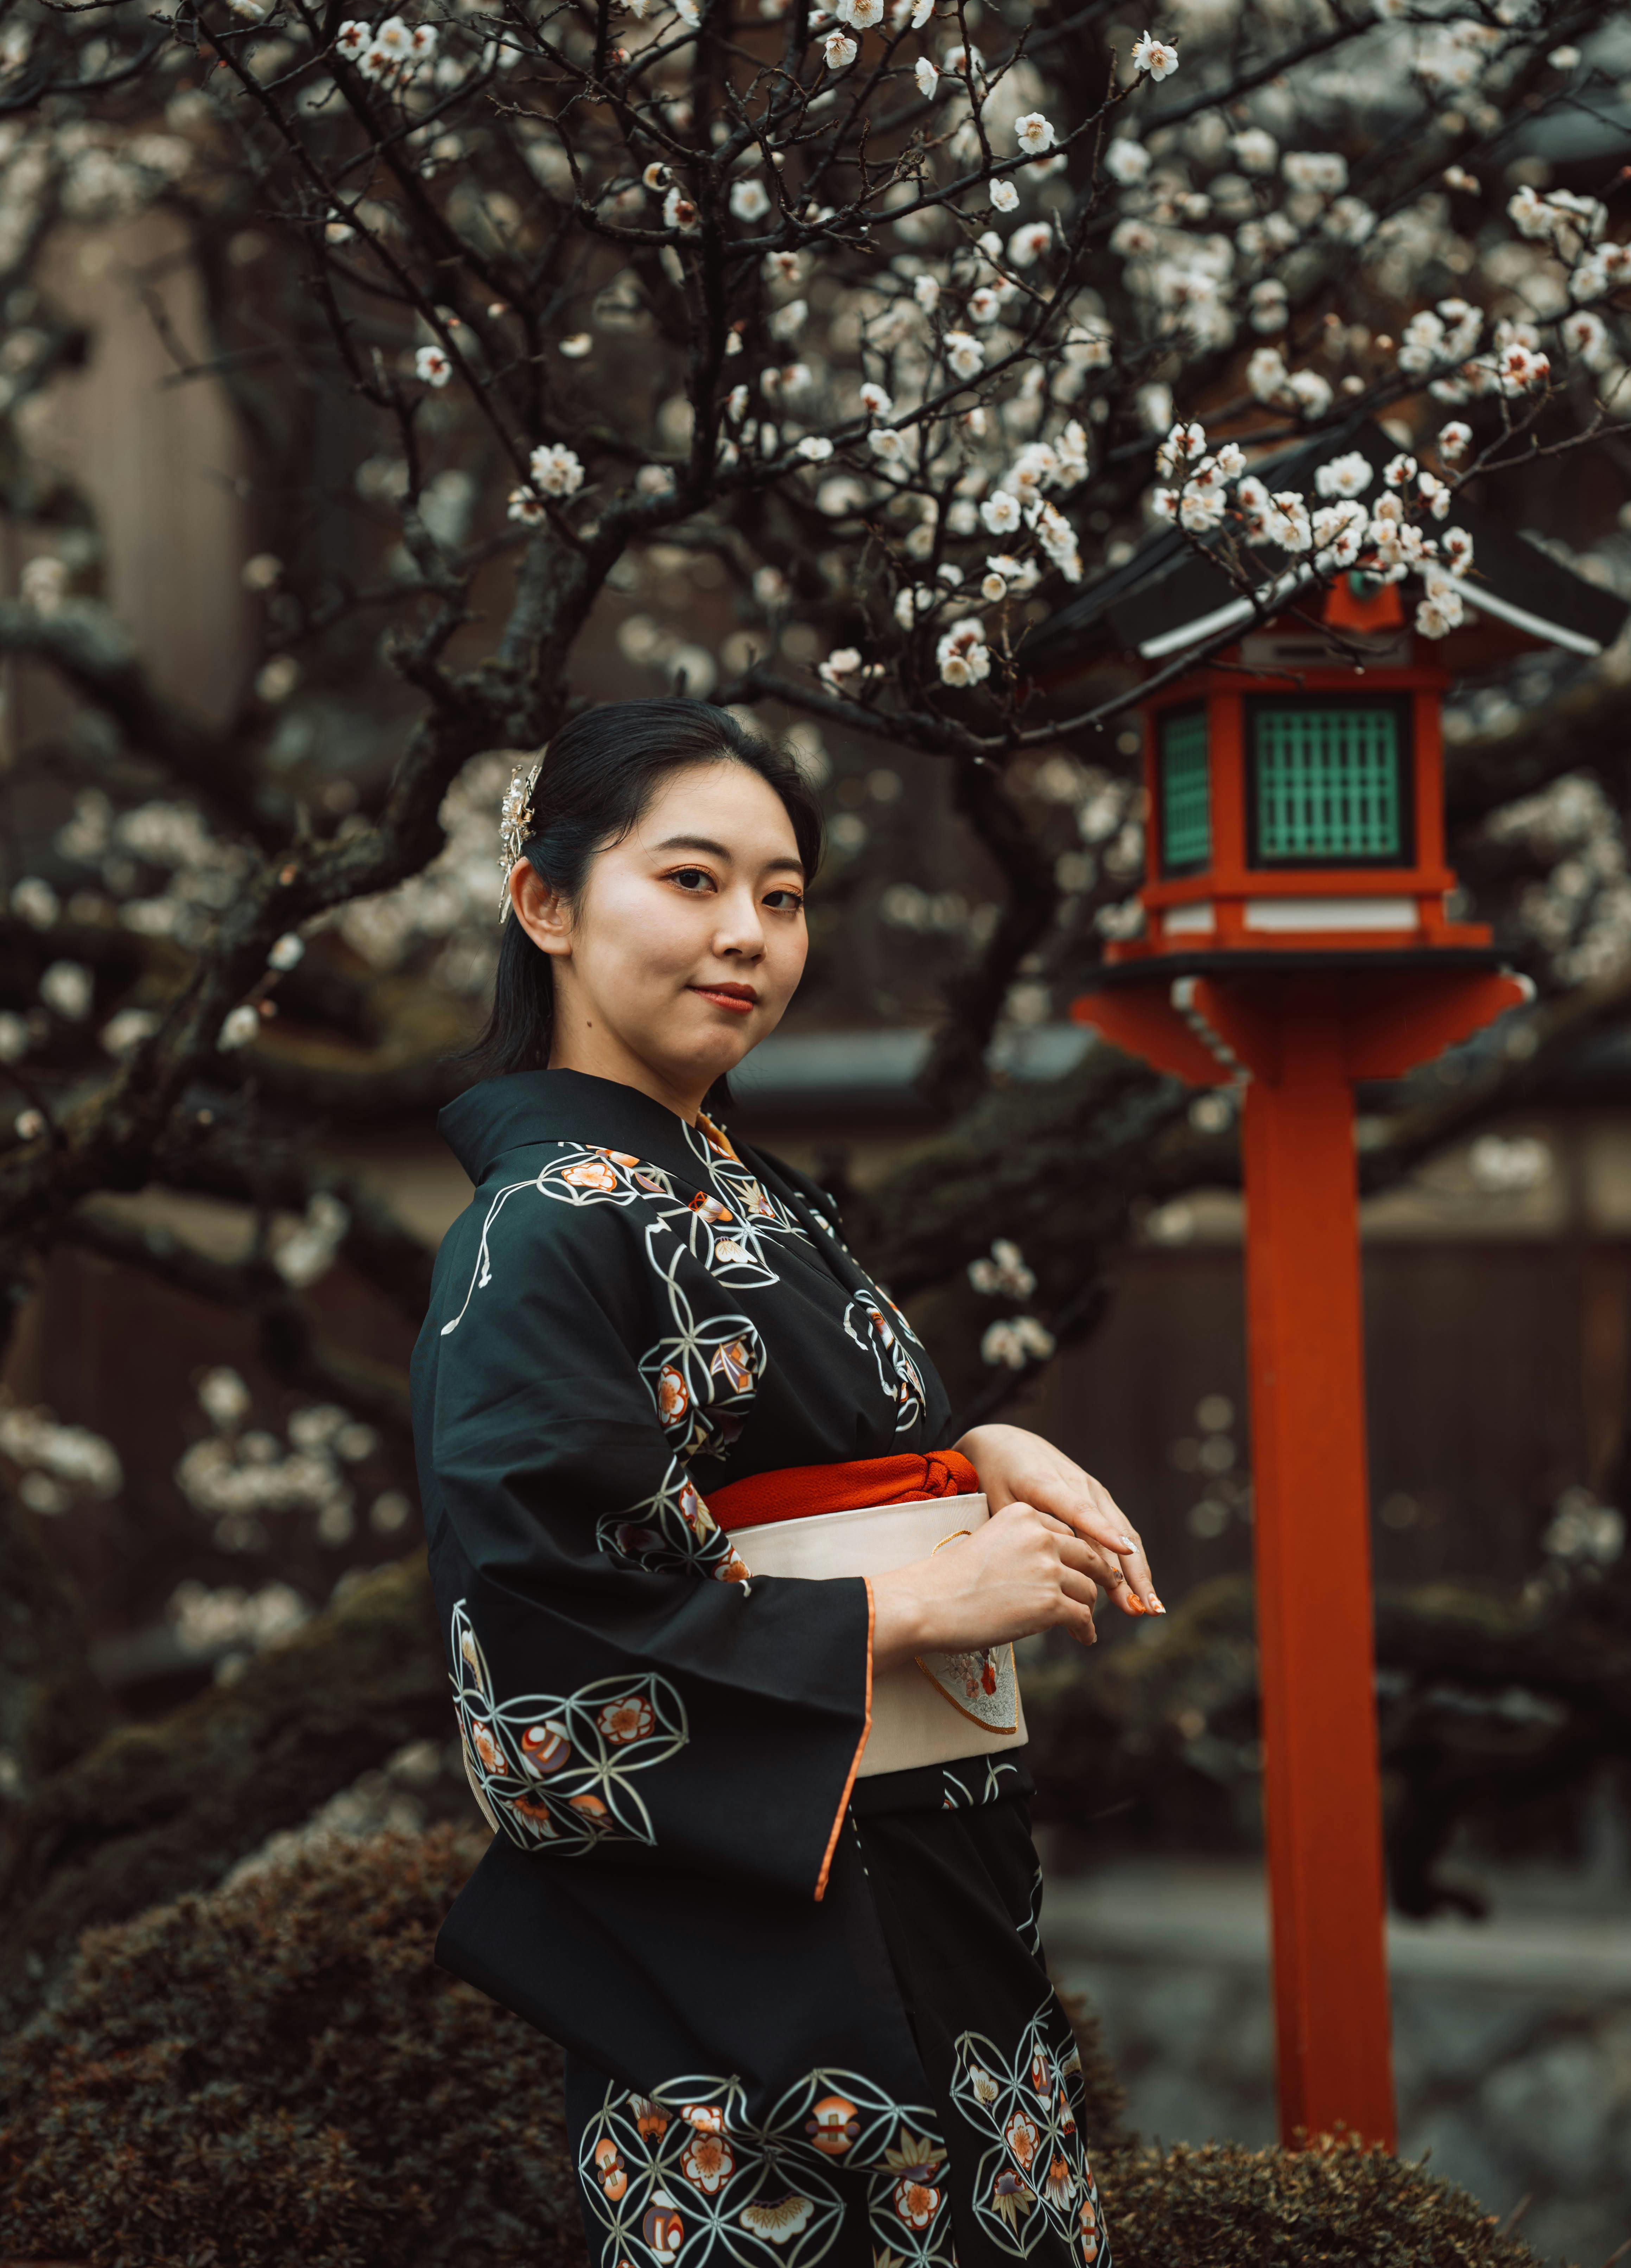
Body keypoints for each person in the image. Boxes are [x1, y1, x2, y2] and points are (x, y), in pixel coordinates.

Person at [410, 699, 1163, 2268]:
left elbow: (805, 1465)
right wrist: (909, 1601)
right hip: (756, 1977)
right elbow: (546, 1676)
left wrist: (984, 1459)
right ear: (543, 902)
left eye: (782, 892)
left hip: (938, 1895)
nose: (745, 933)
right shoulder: (546, 1227)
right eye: (689, 880)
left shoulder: (744, 1191)